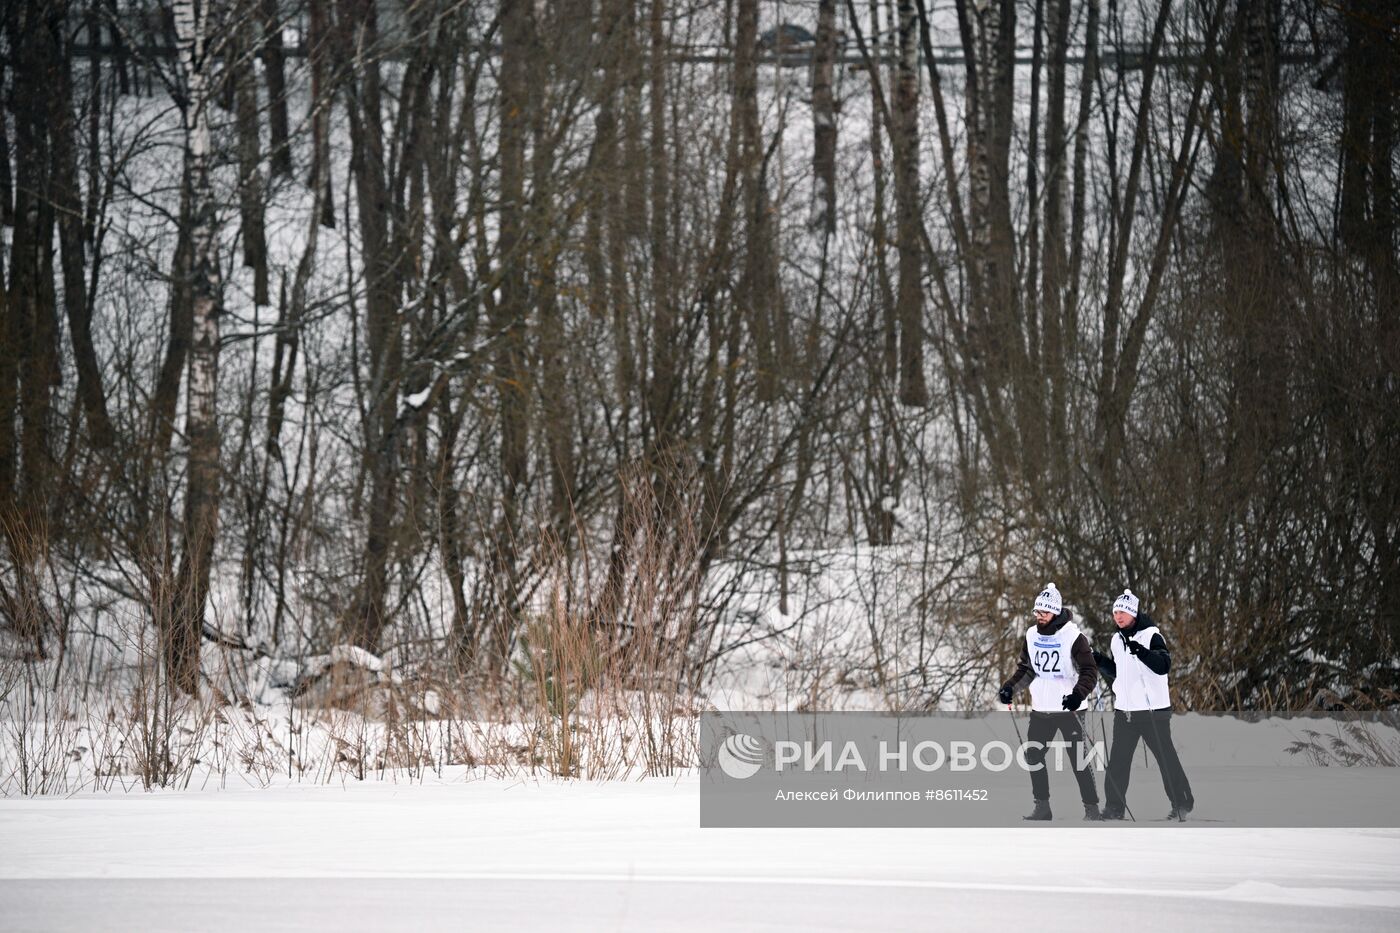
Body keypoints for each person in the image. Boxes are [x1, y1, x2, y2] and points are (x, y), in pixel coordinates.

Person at [997, 583, 1102, 821]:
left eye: (1043, 612)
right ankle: (1042, 807)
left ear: (1055, 611)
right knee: (1033, 756)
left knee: (1078, 759)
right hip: (1041, 709)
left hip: (1068, 709)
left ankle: (1091, 808)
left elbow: (1089, 671)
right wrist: (1010, 688)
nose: (1039, 616)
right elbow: (1027, 669)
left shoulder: (1074, 637)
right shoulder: (1032, 635)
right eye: (1037, 612)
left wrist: (1077, 695)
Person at [1092, 589, 1195, 820]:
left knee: (1165, 758)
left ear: (1133, 613)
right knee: (1118, 761)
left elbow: (1163, 665)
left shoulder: (1152, 635)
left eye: (1123, 612)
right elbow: (1121, 673)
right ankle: (1114, 808)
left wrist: (1141, 652)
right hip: (1126, 712)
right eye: (1115, 612)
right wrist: (1100, 661)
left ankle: (1182, 803)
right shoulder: (1116, 640)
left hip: (1153, 712)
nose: (1118, 616)